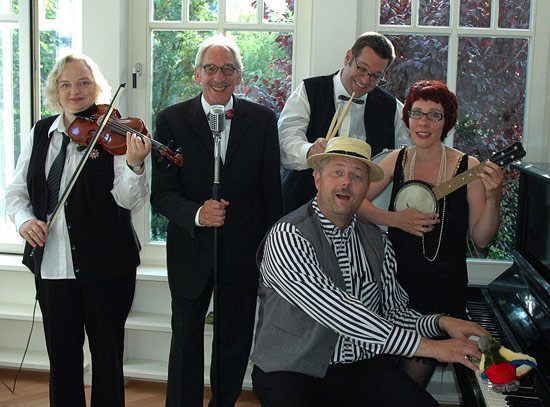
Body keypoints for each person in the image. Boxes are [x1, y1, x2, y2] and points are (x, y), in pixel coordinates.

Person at [250, 136, 490, 407]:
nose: (346, 183)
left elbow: (393, 313)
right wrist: (432, 347)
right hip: (292, 370)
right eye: (337, 172)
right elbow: (339, 311)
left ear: (366, 187)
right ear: (318, 179)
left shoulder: (377, 241)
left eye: (357, 176)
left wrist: (441, 323)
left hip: (359, 367)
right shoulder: (288, 235)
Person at [5, 53, 152, 406]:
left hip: (107, 266)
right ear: (56, 90)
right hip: (52, 267)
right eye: (66, 84)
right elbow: (16, 192)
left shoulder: (113, 133)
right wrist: (25, 221)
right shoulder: (41, 133)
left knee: (107, 359)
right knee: (63, 361)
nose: (75, 91)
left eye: (84, 83)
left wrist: (135, 166)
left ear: (96, 87)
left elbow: (128, 199)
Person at [150, 35, 283, 407]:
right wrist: (197, 213)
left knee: (234, 340)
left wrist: (271, 257)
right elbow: (161, 194)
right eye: (210, 68)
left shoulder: (262, 120)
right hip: (190, 251)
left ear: (239, 76)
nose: (219, 77)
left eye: (228, 69)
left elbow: (271, 194)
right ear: (197, 74)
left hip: (243, 252)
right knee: (185, 339)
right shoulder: (171, 120)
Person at [358, 80, 503, 387]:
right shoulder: (397, 160)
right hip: (394, 292)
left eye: (434, 115)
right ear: (408, 118)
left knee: (408, 387)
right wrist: (395, 220)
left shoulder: (468, 167)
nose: (423, 123)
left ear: (446, 121)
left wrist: (493, 199)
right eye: (417, 113)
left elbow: (481, 238)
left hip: (442, 295)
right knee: (383, 383)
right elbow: (356, 203)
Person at [279, 31, 409, 213]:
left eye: (375, 76)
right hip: (302, 206)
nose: (365, 80)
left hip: (363, 214)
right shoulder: (310, 90)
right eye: (362, 69)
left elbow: (406, 155)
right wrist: (309, 151)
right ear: (349, 57)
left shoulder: (392, 107)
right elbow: (284, 142)